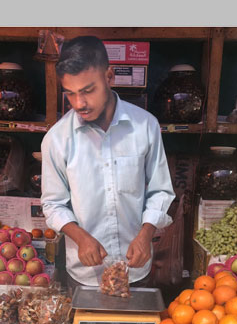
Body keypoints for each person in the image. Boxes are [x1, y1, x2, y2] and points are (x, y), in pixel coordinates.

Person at [40, 36, 175, 287]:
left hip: (135, 270)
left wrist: (146, 234)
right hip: (86, 275)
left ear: (109, 76)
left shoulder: (145, 126)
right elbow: (53, 204)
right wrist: (80, 237)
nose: (79, 103)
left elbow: (160, 191)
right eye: (70, 94)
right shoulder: (57, 139)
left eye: (88, 91)